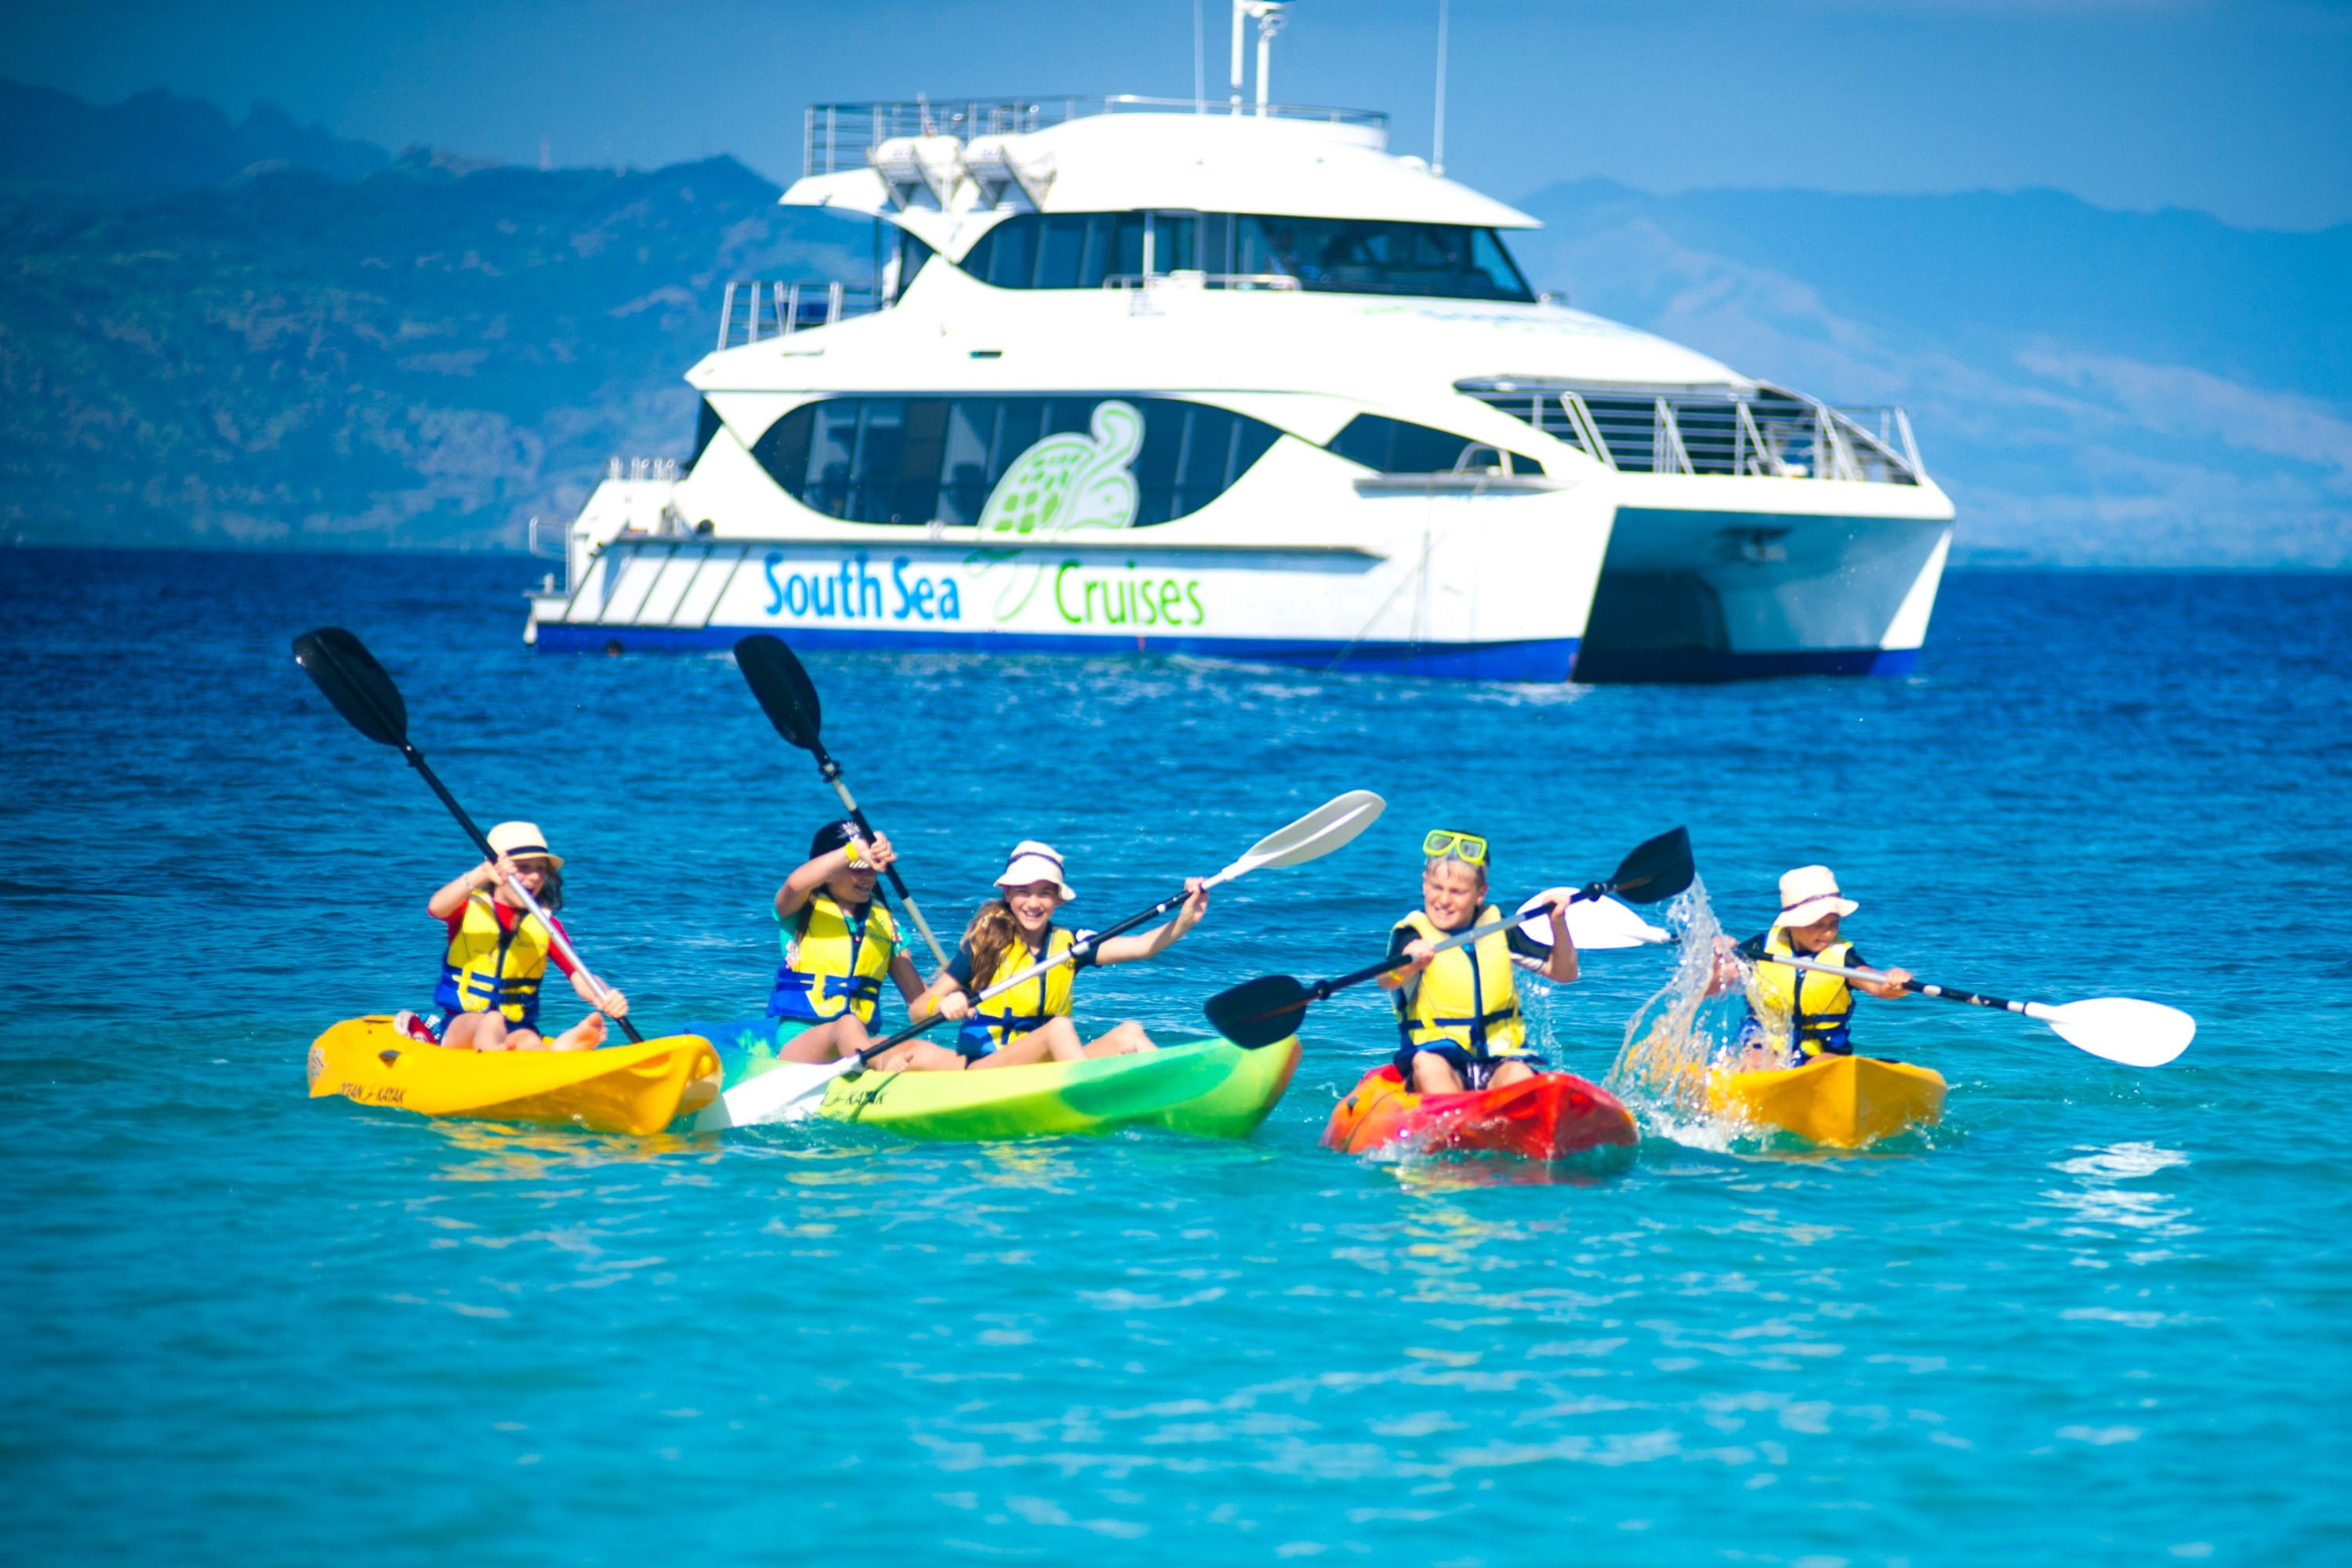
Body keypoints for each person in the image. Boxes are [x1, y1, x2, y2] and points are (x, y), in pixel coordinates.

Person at [884, 841, 1207, 1071]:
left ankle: (1183, 1095)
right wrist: (942, 1005)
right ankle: (1092, 1097)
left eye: (1044, 893)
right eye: (1023, 891)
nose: (1033, 903)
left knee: (1130, 1033)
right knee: (1059, 1028)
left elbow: (1143, 947)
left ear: (1058, 900)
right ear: (1007, 893)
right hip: (989, 1067)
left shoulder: (1071, 945)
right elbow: (917, 1011)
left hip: (1046, 1068)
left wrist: (1186, 920)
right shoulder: (985, 944)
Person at [1381, 829, 1583, 1094]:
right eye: (1437, 887)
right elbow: (1385, 980)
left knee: (1519, 1072)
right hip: (1438, 1061)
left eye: (1457, 892)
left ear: (1480, 893)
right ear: (1424, 884)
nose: (1444, 900)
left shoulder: (1499, 928)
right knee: (1427, 1064)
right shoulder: (1412, 934)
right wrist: (1408, 963)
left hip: (1497, 1062)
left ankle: (1512, 1114)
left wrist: (1558, 922)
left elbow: (1565, 973)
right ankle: (1452, 1117)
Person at [408, 822, 628, 1052]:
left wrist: (603, 996)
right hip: (461, 1023)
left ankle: (556, 1050)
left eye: (540, 868)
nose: (534, 877)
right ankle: (497, 1057)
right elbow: (436, 907)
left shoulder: (546, 925)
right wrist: (480, 873)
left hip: (516, 1026)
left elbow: (578, 974)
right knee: (491, 1021)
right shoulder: (467, 908)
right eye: (523, 867)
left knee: (528, 1039)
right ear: (495, 869)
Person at [764, 821, 927, 1064]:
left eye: (872, 866)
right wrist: (854, 850)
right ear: (828, 873)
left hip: (859, 1044)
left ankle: (973, 1068)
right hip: (800, 1046)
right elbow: (794, 884)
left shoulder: (887, 926)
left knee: (913, 1048)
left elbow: (919, 1004)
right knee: (846, 1025)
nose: (869, 876)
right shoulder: (797, 909)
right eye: (858, 867)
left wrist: (951, 994)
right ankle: (878, 1063)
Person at [1725, 865, 1912, 1068]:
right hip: (1765, 1043)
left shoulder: (1842, 958)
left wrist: (1894, 983)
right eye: (1818, 925)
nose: (1828, 933)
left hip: (1822, 1050)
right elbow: (1722, 977)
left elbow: (1877, 985)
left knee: (1824, 1065)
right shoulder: (1759, 949)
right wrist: (1721, 953)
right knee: (1758, 1060)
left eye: (1834, 923)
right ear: (1792, 923)